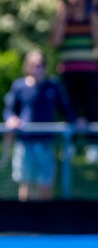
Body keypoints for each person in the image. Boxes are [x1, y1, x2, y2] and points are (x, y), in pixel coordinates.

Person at [3, 51, 81, 200]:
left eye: (41, 65)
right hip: (25, 143)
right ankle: (25, 220)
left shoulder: (53, 86)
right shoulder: (19, 86)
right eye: (34, 65)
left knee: (46, 184)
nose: (37, 69)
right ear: (27, 67)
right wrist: (11, 118)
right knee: (26, 184)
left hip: (46, 144)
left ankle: (44, 221)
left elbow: (66, 109)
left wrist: (77, 121)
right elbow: (9, 110)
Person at [52, 0, 98, 162]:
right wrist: (62, 16)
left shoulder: (92, 16)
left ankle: (93, 144)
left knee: (90, 105)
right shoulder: (64, 18)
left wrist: (93, 16)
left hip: (88, 69)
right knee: (69, 107)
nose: (76, 3)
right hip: (68, 70)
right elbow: (55, 41)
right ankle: (70, 144)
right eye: (72, 0)